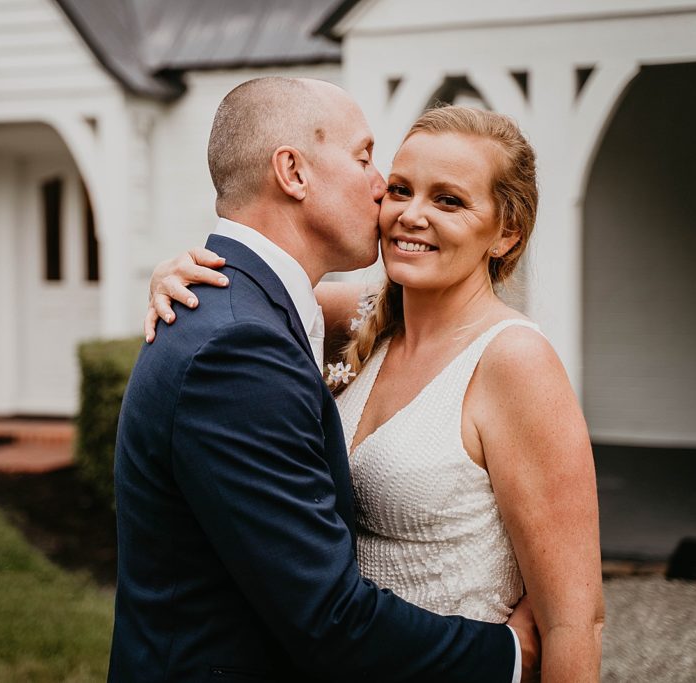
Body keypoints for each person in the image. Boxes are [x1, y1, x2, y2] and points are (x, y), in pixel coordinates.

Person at [145, 104, 606, 680]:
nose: (411, 215)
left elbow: (573, 622)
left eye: (448, 200)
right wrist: (174, 271)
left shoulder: (515, 362)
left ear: (506, 233)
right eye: (400, 189)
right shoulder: (359, 320)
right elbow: (245, 302)